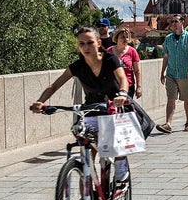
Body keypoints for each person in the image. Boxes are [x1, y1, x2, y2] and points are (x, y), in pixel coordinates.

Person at [30, 26, 131, 180]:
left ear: (98, 42)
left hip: (113, 107)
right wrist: (40, 102)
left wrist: (122, 94)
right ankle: (87, 196)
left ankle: (121, 167)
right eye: (81, 44)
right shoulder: (78, 66)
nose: (85, 47)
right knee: (87, 155)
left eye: (89, 43)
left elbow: (122, 78)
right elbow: (54, 86)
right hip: (91, 109)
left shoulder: (110, 59)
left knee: (114, 145)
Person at [157, 14, 188, 133]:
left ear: (182, 22)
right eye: (172, 22)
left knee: (187, 99)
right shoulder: (168, 38)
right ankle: (168, 124)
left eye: (176, 21)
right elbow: (166, 56)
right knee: (171, 99)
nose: (173, 24)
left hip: (185, 73)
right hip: (171, 73)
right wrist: (162, 72)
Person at [107, 28, 142, 99]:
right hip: (112, 86)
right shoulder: (109, 51)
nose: (125, 39)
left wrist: (139, 87)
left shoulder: (132, 51)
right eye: (123, 37)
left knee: (126, 109)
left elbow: (137, 71)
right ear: (116, 38)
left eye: (127, 37)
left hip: (128, 86)